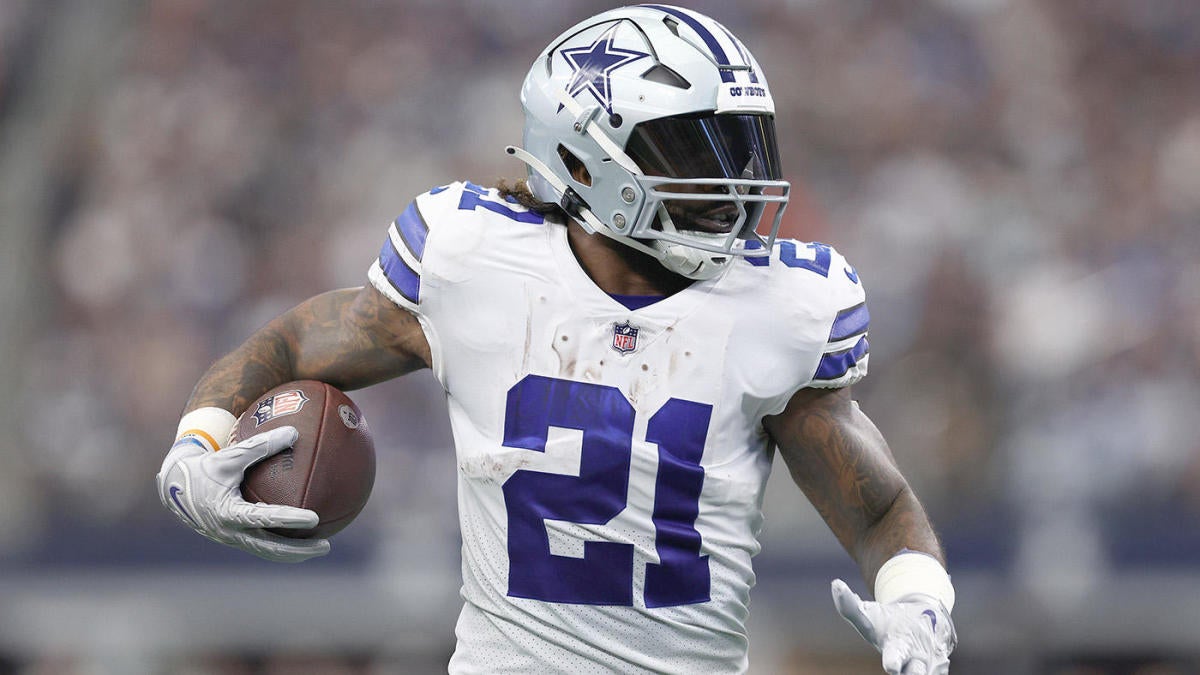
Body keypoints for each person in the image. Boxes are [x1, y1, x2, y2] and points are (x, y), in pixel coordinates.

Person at [156, 6, 957, 674]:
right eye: (691, 148)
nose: (732, 178)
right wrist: (194, 450)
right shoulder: (475, 261)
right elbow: (290, 345)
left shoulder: (781, 305)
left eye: (741, 142)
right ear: (585, 156)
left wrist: (918, 599)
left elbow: (879, 504)